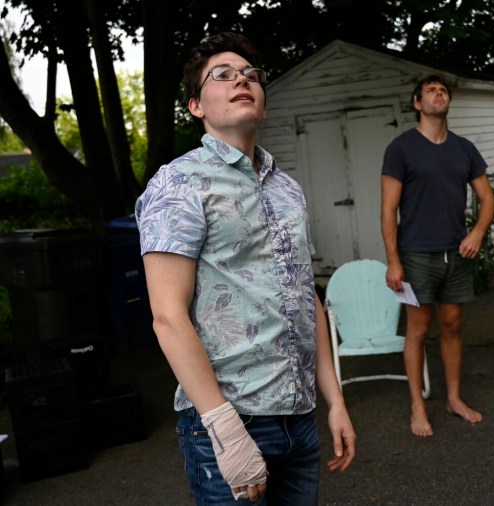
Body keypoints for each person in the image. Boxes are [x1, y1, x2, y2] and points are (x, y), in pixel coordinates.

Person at [135, 32, 356, 505]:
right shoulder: (179, 183)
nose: (242, 80)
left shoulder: (287, 188)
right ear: (196, 106)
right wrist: (225, 432)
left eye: (252, 76)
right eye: (223, 75)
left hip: (300, 420)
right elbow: (167, 317)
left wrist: (334, 400)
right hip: (229, 420)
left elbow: (305, 296)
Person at [381, 74, 494, 437]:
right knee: (417, 331)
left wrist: (477, 232)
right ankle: (418, 406)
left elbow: (488, 198)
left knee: (452, 327)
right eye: (430, 90)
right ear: (418, 103)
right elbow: (388, 209)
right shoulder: (401, 148)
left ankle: (454, 399)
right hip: (416, 255)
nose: (438, 94)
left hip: (457, 254)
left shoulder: (463, 148)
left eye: (443, 90)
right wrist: (393, 259)